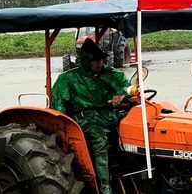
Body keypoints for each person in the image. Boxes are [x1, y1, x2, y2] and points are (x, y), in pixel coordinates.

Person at [51, 39, 133, 194]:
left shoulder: (108, 73)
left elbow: (125, 86)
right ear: (86, 61)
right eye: (96, 61)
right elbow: (59, 106)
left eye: (101, 60)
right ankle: (104, 187)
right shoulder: (68, 79)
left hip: (108, 114)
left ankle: (133, 172)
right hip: (84, 118)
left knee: (133, 125)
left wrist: (122, 94)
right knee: (99, 137)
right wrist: (62, 128)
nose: (100, 64)